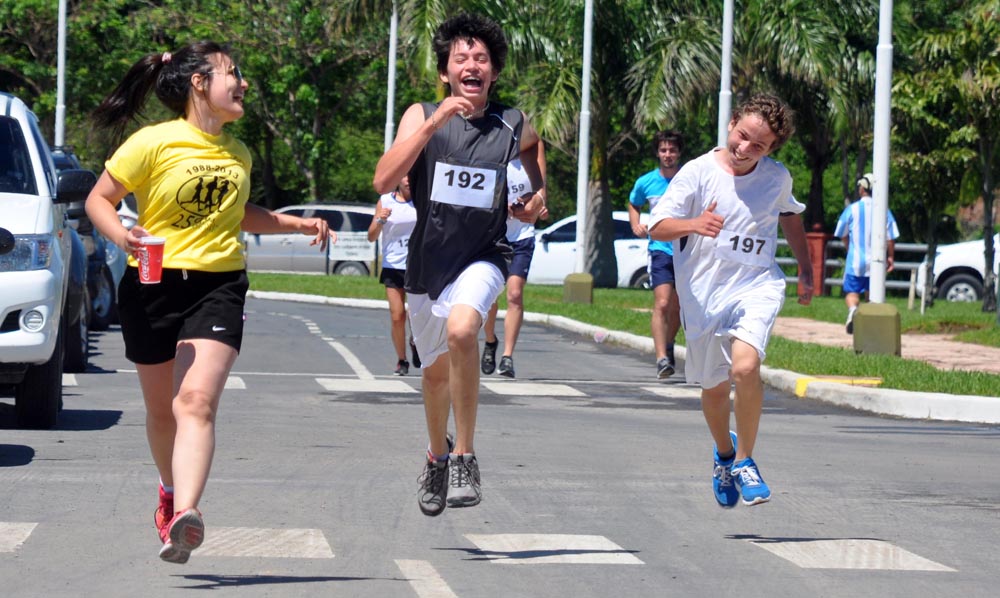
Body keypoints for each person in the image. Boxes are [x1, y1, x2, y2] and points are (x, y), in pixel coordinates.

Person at [84, 41, 333, 563]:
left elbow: (238, 214)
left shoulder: (237, 151)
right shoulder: (152, 142)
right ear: (200, 82)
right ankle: (169, 493)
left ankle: (186, 516)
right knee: (161, 413)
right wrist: (123, 238)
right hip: (151, 282)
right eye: (231, 73)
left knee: (194, 402)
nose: (242, 83)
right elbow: (98, 200)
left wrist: (295, 222)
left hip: (218, 285)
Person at [372, 13, 545, 517]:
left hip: (485, 253)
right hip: (428, 263)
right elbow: (384, 179)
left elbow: (535, 149)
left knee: (465, 330)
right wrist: (433, 123)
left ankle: (466, 455)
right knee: (434, 377)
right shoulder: (421, 113)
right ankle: (437, 456)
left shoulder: (511, 122)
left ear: (493, 72)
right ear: (446, 71)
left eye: (482, 59)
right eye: (462, 58)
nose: (473, 65)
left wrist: (536, 197)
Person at [648, 94, 813, 508]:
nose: (745, 149)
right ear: (732, 123)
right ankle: (724, 452)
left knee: (746, 366)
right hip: (703, 296)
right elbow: (657, 226)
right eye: (742, 136)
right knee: (714, 388)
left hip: (757, 284)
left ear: (771, 149)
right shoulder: (698, 172)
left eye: (758, 145)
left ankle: (744, 461)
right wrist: (694, 223)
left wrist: (806, 268)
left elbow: (790, 215)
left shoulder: (777, 178)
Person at [481, 152, 548, 379]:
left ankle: (507, 357)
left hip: (522, 237)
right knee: (490, 299)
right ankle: (490, 340)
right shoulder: (492, 158)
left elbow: (540, 196)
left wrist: (539, 208)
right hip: (495, 236)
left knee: (515, 294)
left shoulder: (532, 161)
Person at [628, 130, 684, 379]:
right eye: (663, 150)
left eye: (672, 150)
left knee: (678, 307)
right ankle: (662, 358)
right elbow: (633, 203)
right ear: (657, 153)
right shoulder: (646, 182)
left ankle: (669, 343)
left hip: (685, 250)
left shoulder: (688, 179)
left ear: (679, 152)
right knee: (662, 302)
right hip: (660, 248)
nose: (668, 155)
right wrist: (635, 224)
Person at [368, 175, 420, 375]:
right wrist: (381, 220)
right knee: (397, 315)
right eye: (404, 175)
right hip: (393, 265)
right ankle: (402, 359)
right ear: (398, 179)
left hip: (417, 264)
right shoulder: (386, 200)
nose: (408, 180)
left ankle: (416, 341)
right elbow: (371, 236)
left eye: (411, 174)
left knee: (416, 315)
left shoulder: (422, 199)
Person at [835, 173, 900, 334]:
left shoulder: (852, 209)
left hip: (855, 260)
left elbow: (841, 232)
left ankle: (852, 312)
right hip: (876, 261)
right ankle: (871, 324)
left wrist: (849, 246)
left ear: (862, 188)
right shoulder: (884, 210)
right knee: (872, 294)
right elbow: (891, 237)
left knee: (852, 292)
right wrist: (890, 256)